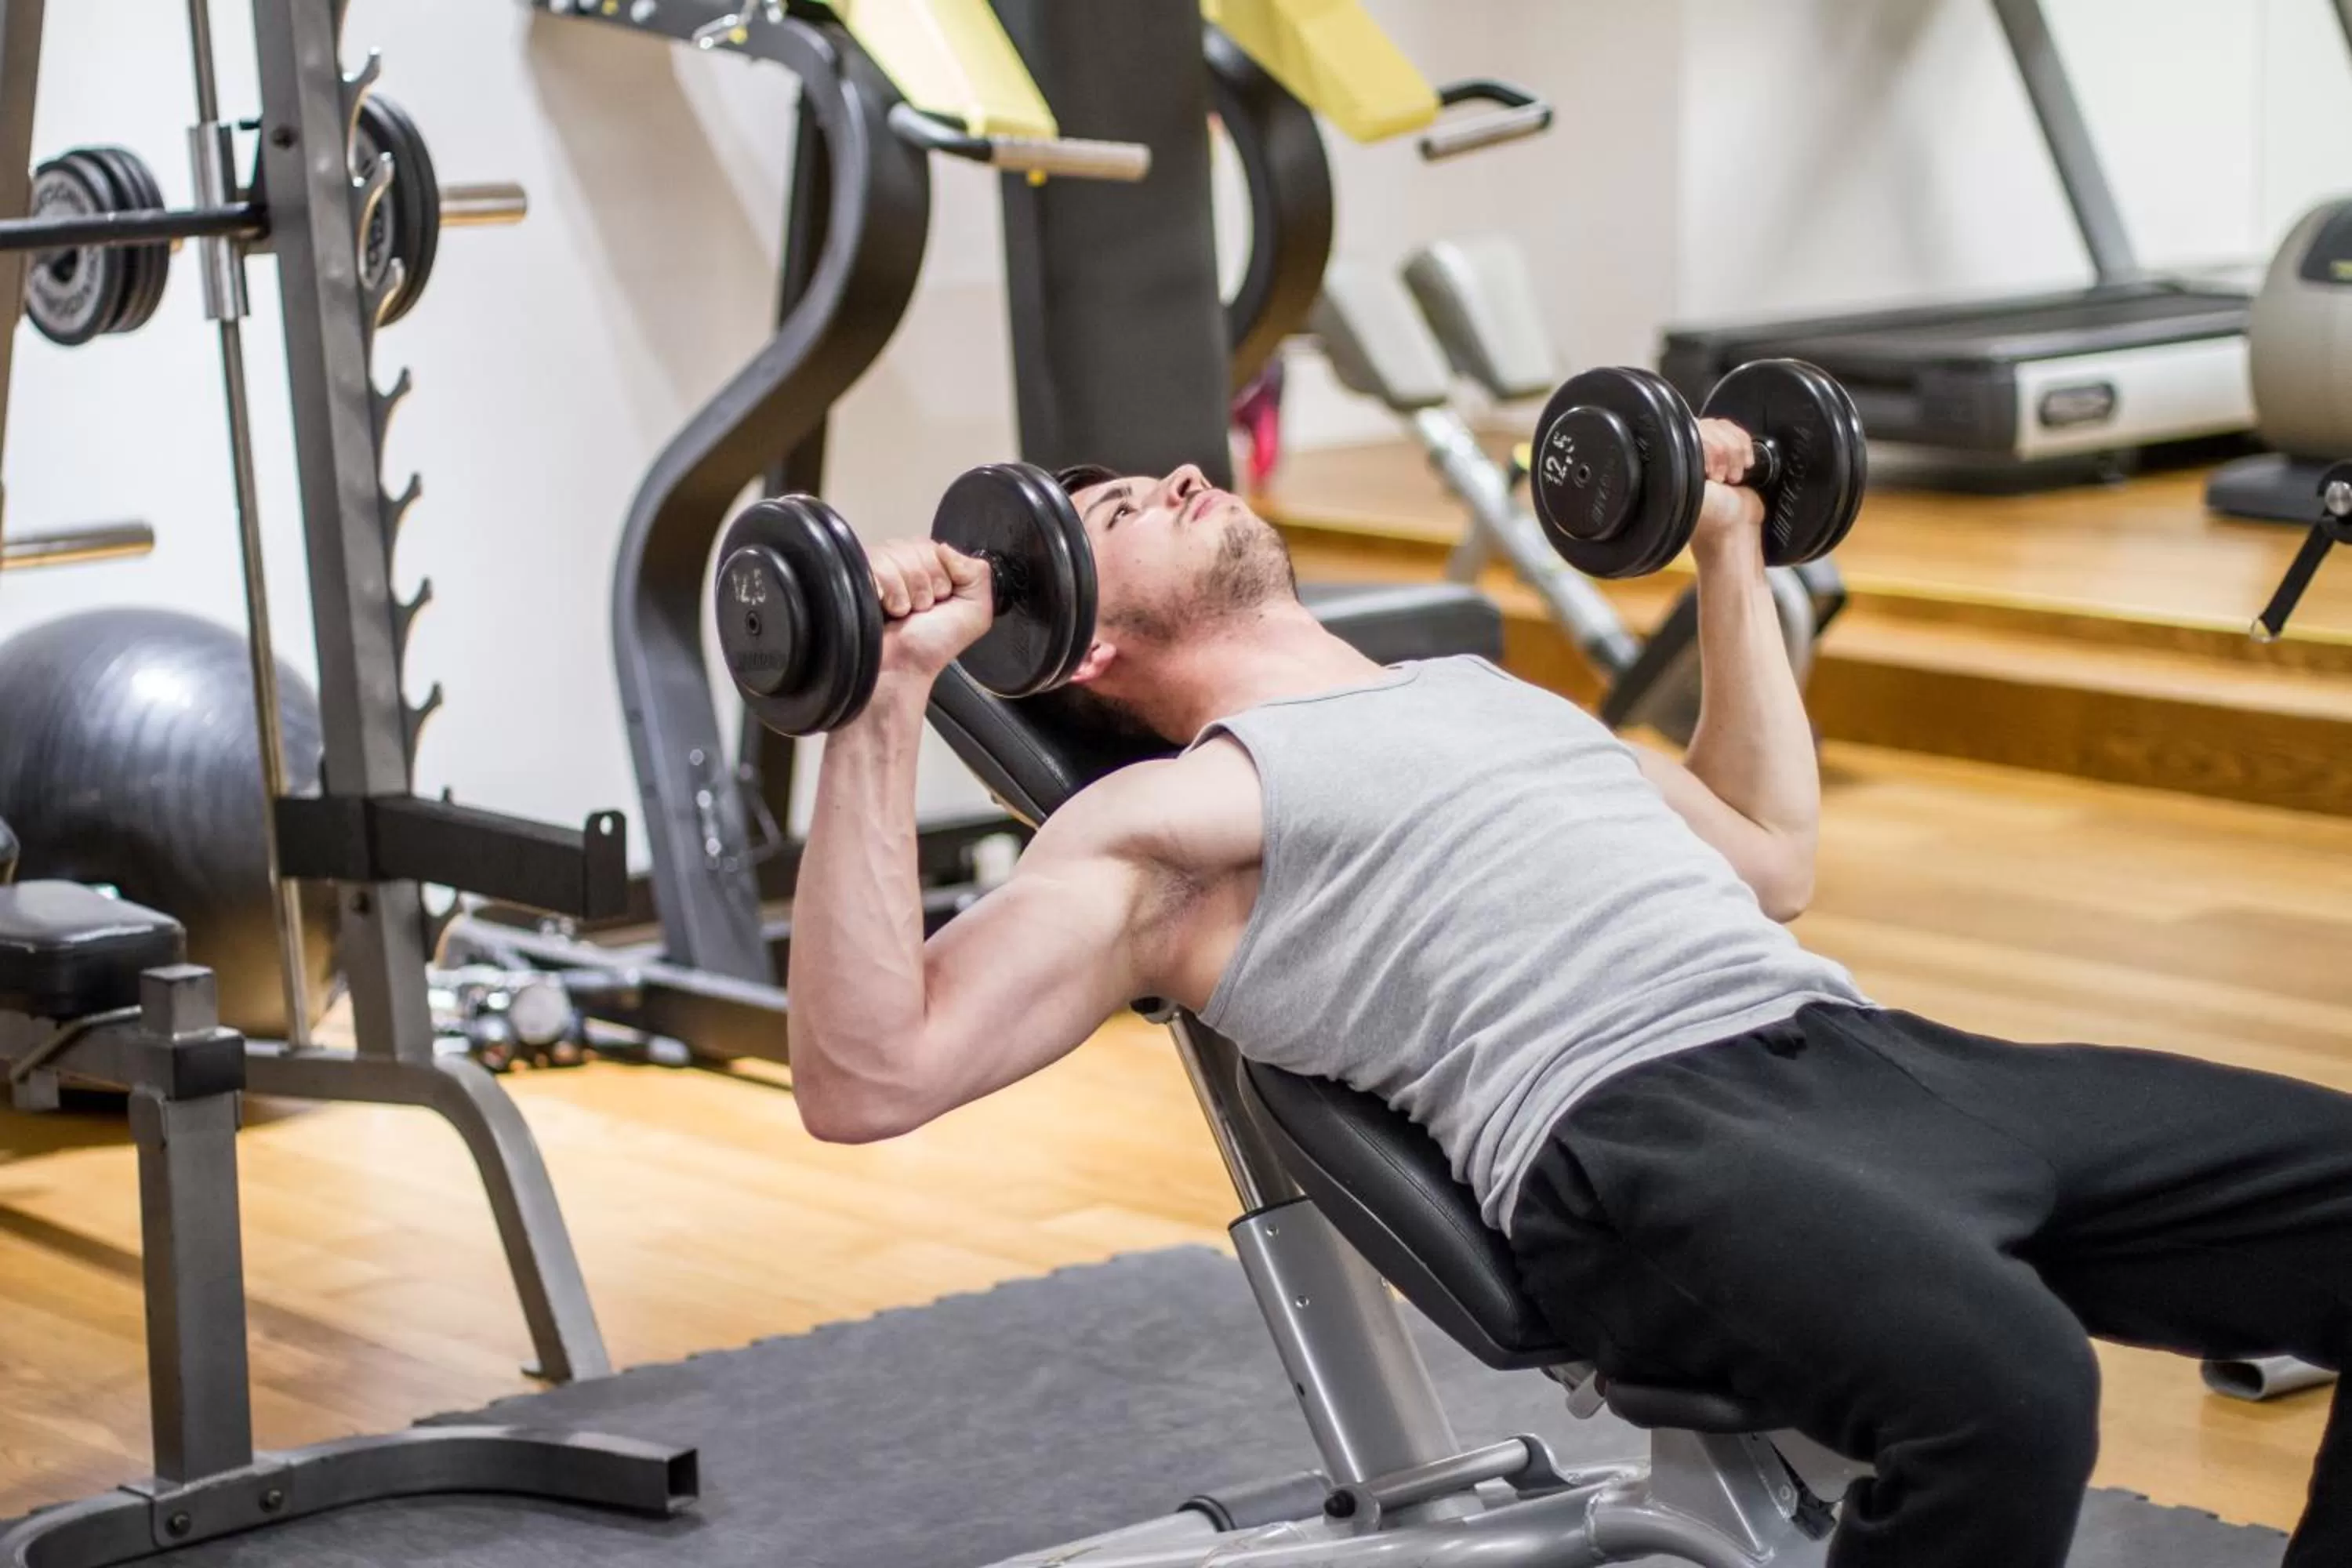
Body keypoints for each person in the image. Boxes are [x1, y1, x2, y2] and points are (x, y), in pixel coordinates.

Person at [785, 430, 2352, 1568]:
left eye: (1166, 471)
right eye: (1127, 506)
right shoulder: (1169, 823)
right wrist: (884, 697)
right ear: (1093, 637)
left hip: (1860, 1052)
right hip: (1638, 1138)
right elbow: (872, 1074)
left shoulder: (1476, 695)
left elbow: (1769, 853)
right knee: (2005, 1392)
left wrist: (1733, 544)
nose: (1188, 476)